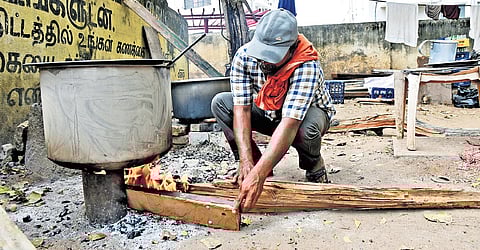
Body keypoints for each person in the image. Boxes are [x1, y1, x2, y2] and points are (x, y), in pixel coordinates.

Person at [211, 9, 336, 212]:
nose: (264, 61)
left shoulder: (306, 65)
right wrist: (246, 161)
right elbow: (241, 110)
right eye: (262, 53)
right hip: (271, 113)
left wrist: (257, 177)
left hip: (305, 117)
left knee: (306, 130)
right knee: (221, 103)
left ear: (291, 48)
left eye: (272, 55)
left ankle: (313, 164)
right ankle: (255, 164)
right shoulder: (244, 57)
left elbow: (290, 123)